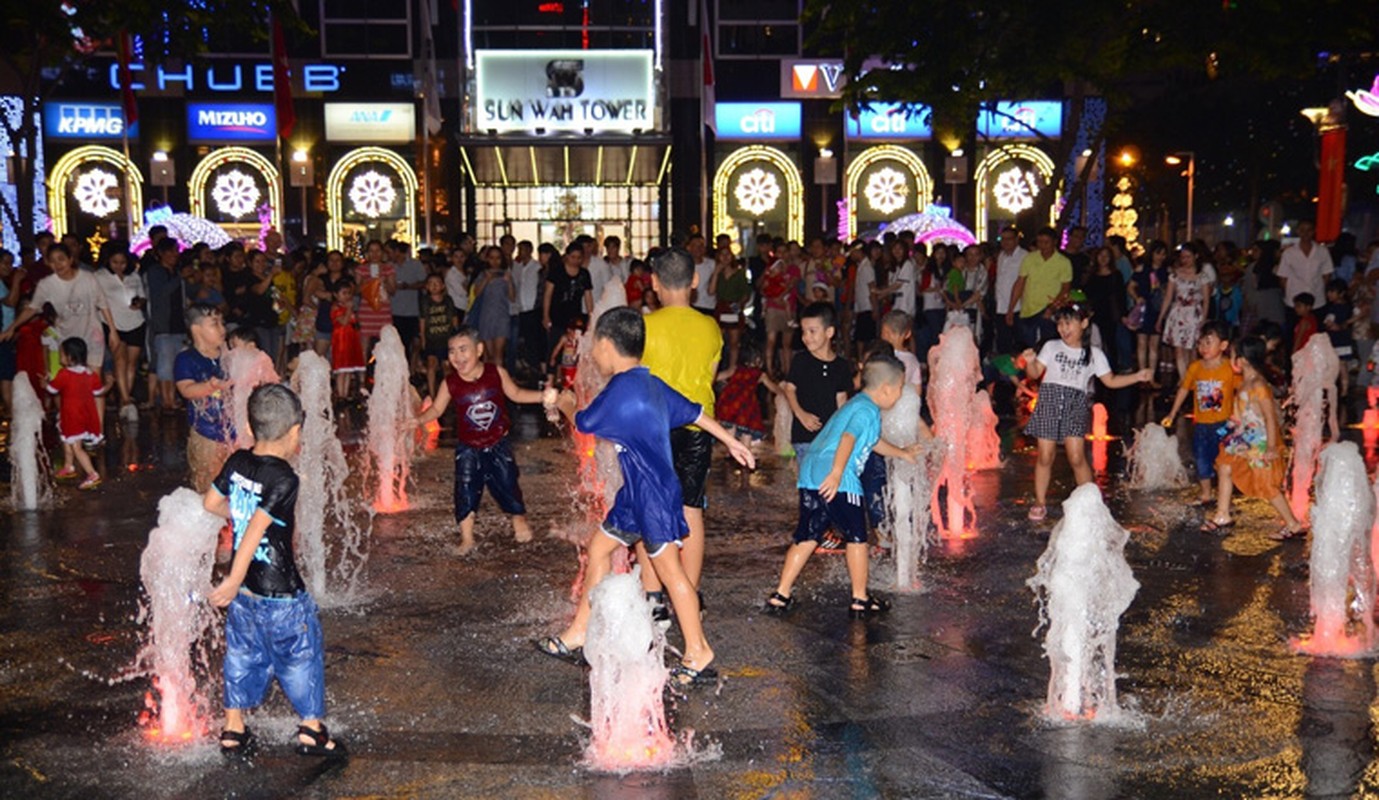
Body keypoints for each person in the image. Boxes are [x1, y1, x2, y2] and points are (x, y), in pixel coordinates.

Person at [537, 307, 755, 685]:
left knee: (672, 572)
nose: (593, 356)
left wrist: (564, 401)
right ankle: (579, 631)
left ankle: (698, 650)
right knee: (599, 549)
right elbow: (695, 412)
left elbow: (584, 423)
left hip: (653, 497)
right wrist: (730, 440)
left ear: (607, 346)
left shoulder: (622, 392)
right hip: (636, 494)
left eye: (595, 348)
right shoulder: (650, 383)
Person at [204, 383, 347, 760]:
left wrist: (238, 580)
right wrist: (231, 581)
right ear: (295, 431)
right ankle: (311, 730)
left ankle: (233, 728)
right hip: (281, 593)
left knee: (241, 653)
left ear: (252, 429)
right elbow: (255, 530)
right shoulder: (285, 478)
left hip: (248, 594)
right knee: (301, 655)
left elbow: (211, 501)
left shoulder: (237, 461)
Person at [763, 353, 917, 617]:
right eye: (901, 388)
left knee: (808, 536)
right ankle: (860, 598)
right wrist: (836, 474)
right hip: (837, 476)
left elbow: (871, 441)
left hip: (811, 473)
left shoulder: (855, 405)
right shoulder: (868, 410)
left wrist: (902, 453)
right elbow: (848, 438)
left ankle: (781, 594)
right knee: (858, 537)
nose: (901, 394)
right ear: (886, 389)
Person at [636, 248, 725, 620]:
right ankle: (688, 591)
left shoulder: (645, 327)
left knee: (648, 509)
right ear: (694, 281)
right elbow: (711, 373)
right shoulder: (710, 327)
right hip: (696, 429)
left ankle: (653, 595)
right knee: (692, 510)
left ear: (654, 284)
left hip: (652, 430)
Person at [414, 327, 545, 556]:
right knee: (465, 488)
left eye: (463, 350)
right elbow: (436, 409)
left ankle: (518, 517)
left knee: (507, 482)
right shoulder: (450, 383)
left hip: (498, 443)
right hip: (468, 448)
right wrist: (417, 420)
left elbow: (516, 394)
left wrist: (542, 396)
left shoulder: (496, 373)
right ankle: (467, 538)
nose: (457, 357)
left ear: (480, 350)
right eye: (452, 351)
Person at [1020, 302, 1152, 520]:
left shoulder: (1093, 353)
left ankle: (1092, 504)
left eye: (1069, 323)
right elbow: (1034, 373)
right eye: (1060, 324)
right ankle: (1040, 502)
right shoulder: (1051, 347)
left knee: (1076, 456)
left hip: (1075, 403)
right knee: (1045, 455)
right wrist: (1030, 361)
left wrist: (1136, 376)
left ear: (1083, 323)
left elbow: (1110, 380)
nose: (1063, 328)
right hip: (1050, 401)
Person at [1204, 336, 1308, 540]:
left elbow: (1269, 417)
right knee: (1225, 467)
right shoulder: (1245, 382)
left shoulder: (1258, 385)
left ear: (1242, 359)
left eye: (1232, 355)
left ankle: (1294, 525)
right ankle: (1222, 515)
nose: (1230, 359)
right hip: (1244, 437)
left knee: (1267, 486)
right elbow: (1240, 413)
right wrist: (1226, 431)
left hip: (1258, 442)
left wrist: (1270, 447)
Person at [1161, 322, 1238, 507]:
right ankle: (1206, 494)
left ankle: (1224, 494)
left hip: (1224, 425)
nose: (1203, 347)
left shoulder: (1230, 369)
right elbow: (1184, 389)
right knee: (1202, 458)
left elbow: (1242, 392)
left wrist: (1239, 414)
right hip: (1202, 424)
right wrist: (1172, 413)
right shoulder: (1195, 367)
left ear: (1223, 346)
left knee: (1223, 461)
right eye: (1200, 343)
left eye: (1208, 342)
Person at [784, 302, 855, 464]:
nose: (806, 337)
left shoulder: (841, 366)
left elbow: (841, 401)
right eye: (803, 332)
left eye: (812, 332)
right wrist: (800, 414)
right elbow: (789, 389)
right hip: (804, 436)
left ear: (829, 332)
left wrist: (842, 433)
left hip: (830, 438)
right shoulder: (801, 360)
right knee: (808, 482)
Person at [47, 337, 110, 489]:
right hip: (84, 415)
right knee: (67, 441)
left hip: (72, 416)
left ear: (70, 357)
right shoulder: (90, 374)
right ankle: (69, 466)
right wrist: (109, 384)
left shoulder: (64, 374)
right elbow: (98, 392)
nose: (60, 357)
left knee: (76, 447)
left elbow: (52, 390)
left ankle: (92, 474)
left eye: (61, 354)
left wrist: (46, 382)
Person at [92, 241, 145, 420]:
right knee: (119, 359)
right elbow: (97, 301)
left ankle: (125, 398)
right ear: (109, 261)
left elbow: (143, 297)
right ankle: (125, 399)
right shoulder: (100, 276)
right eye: (115, 262)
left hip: (135, 322)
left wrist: (139, 303)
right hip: (112, 323)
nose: (119, 266)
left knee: (132, 362)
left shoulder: (134, 276)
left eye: (122, 262)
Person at [1006, 227, 1072, 348]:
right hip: (1028, 309)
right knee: (1028, 347)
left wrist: (1053, 307)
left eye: (1046, 242)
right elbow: (1020, 283)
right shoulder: (1030, 258)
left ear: (1054, 242)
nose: (1043, 246)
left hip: (1049, 308)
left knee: (1048, 345)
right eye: (1040, 242)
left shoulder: (1063, 262)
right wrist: (1011, 308)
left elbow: (1065, 289)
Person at [715, 342, 781, 447]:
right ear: (758, 360)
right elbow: (773, 388)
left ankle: (729, 456)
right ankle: (745, 459)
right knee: (746, 435)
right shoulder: (760, 374)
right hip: (746, 409)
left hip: (728, 405)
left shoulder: (735, 369)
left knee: (729, 440)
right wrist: (784, 392)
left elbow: (717, 377)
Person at [1277, 220, 1334, 330]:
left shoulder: (1322, 251)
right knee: (1293, 334)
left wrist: (1319, 288)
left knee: (1316, 334)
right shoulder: (1289, 253)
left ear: (1314, 231)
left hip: (1317, 301)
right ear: (1298, 232)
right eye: (1302, 230)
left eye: (1309, 230)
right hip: (1294, 302)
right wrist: (1290, 292)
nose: (1306, 233)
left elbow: (1327, 274)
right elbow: (1283, 277)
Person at [542, 242, 593, 360]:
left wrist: (591, 316)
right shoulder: (556, 271)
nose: (575, 260)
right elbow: (547, 294)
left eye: (579, 258)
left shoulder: (584, 274)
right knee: (554, 346)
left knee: (573, 348)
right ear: (567, 256)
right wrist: (545, 315)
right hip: (556, 315)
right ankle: (552, 375)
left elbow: (588, 296)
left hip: (575, 317)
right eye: (573, 257)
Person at [709, 247, 750, 371]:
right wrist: (716, 273)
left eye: (728, 254)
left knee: (734, 341)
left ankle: (732, 367)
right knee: (718, 340)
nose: (725, 257)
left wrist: (739, 304)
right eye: (722, 254)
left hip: (734, 308)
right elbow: (711, 291)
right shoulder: (718, 274)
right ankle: (717, 367)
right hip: (721, 307)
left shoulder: (739, 273)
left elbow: (746, 294)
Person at [419, 274, 459, 400]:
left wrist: (456, 336)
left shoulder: (448, 300)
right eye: (431, 283)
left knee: (446, 367)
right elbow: (422, 321)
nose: (434, 286)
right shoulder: (425, 301)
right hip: (432, 339)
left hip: (446, 339)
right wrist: (423, 339)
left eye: (437, 283)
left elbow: (454, 319)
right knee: (431, 365)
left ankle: (448, 395)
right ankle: (432, 394)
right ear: (427, 286)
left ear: (442, 285)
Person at [355, 239, 396, 359]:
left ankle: (384, 372)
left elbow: (393, 291)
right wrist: (367, 283)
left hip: (383, 311)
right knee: (364, 344)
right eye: (371, 251)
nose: (375, 254)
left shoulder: (388, 268)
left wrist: (384, 281)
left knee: (386, 343)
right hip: (366, 311)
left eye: (377, 251)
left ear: (382, 253)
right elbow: (356, 291)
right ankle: (362, 375)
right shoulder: (361, 269)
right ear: (367, 253)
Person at [993, 227, 1028, 355]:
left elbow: (1022, 283)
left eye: (1009, 239)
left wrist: (1011, 309)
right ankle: (1005, 373)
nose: (1005, 242)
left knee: (1019, 344)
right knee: (1003, 343)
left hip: (1017, 307)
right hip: (1001, 307)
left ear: (1016, 239)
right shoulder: (1001, 256)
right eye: (1003, 239)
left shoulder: (1024, 256)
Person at [330, 280, 365, 398]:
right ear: (336, 295)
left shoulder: (349, 308)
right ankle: (340, 395)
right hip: (341, 340)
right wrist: (349, 310)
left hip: (351, 339)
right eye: (344, 293)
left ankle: (346, 393)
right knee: (342, 370)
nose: (347, 296)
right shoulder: (336, 308)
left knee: (349, 369)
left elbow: (355, 324)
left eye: (349, 293)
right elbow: (343, 322)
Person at [879, 310, 922, 389]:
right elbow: (917, 391)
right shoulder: (912, 360)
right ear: (908, 334)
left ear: (884, 332)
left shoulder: (879, 357)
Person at [587, 235, 629, 304]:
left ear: (618, 248)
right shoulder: (604, 264)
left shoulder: (624, 264)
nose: (610, 250)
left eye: (613, 247)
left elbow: (626, 281)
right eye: (608, 248)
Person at [548, 316, 585, 390]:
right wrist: (553, 357)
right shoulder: (565, 338)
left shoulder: (578, 340)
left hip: (574, 365)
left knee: (574, 380)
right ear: (569, 330)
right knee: (566, 381)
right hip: (566, 364)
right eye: (575, 331)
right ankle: (565, 392)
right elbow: (557, 348)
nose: (577, 333)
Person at [686, 233, 716, 316]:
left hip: (709, 305)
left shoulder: (712, 264)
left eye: (701, 245)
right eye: (695, 245)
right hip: (691, 306)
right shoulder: (685, 265)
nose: (699, 248)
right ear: (689, 247)